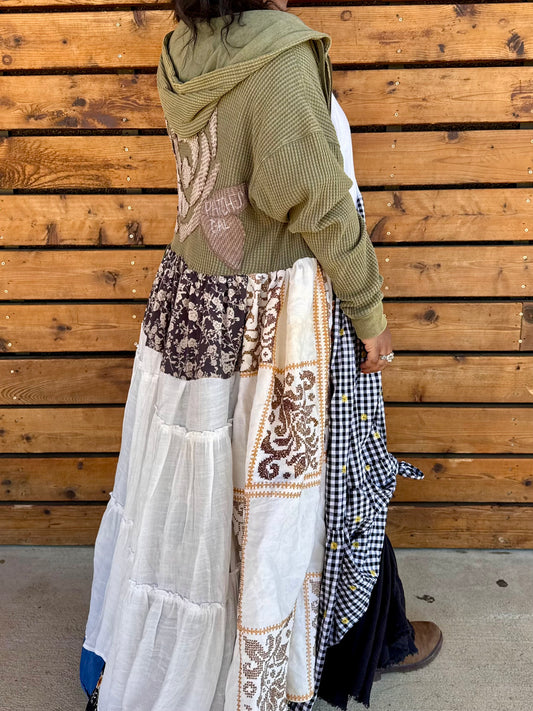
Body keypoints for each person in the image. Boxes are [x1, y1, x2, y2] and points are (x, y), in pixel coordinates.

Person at [79, 2, 442, 709]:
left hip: (195, 300)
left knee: (204, 501)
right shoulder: (277, 55)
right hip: (271, 318)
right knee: (308, 489)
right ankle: (344, 650)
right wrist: (369, 312)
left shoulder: (185, 44)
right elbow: (318, 202)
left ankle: (351, 637)